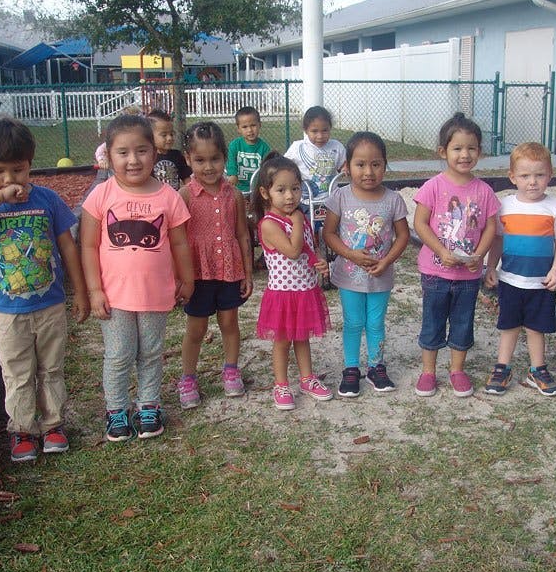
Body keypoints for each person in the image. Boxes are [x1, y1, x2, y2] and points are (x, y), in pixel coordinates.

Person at [0, 116, 89, 462]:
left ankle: (54, 424)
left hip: (49, 304)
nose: (11, 179)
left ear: (30, 165)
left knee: (51, 368)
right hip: (7, 310)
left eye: (19, 169)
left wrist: (82, 292)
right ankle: (23, 429)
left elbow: (68, 246)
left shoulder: (47, 199)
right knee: (17, 371)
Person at [80, 114, 195, 442]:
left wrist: (187, 279)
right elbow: (87, 245)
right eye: (123, 152)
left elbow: (180, 243)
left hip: (156, 294)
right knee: (119, 354)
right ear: (109, 155)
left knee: (151, 352)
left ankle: (148, 405)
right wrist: (93, 290)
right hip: (114, 297)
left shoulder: (168, 197)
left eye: (142, 151)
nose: (133, 160)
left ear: (154, 153)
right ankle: (116, 410)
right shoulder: (101, 196)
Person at [412, 112, 499, 398]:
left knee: (462, 322)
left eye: (471, 148)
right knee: (432, 321)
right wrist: (440, 250)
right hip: (436, 272)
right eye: (457, 148)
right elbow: (420, 223)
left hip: (468, 275)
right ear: (443, 151)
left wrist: (480, 254)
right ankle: (428, 372)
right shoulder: (434, 186)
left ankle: (457, 370)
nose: (465, 154)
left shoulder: (484, 191)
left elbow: (490, 227)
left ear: (480, 152)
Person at [322, 132, 409, 397]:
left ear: (385, 165)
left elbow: (403, 236)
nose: (368, 171)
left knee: (375, 322)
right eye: (360, 164)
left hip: (381, 276)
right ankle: (351, 368)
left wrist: (386, 261)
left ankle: (376, 366)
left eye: (376, 164)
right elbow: (328, 234)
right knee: (353, 322)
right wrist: (350, 254)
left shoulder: (393, 199)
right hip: (349, 276)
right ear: (347, 166)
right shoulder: (340, 197)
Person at [483, 142, 556, 397]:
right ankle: (502, 367)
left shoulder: (554, 207)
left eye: (539, 175)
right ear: (512, 177)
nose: (532, 182)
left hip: (541, 282)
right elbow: (497, 239)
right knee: (509, 325)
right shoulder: (505, 206)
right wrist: (491, 266)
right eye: (525, 176)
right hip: (511, 280)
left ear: (550, 175)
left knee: (536, 327)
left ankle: (538, 369)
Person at [175, 121, 254, 408]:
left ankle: (231, 370)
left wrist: (246, 270)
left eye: (215, 159)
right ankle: (187, 378)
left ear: (224, 157)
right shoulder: (183, 196)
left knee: (229, 323)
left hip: (229, 270)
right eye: (199, 160)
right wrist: (181, 278)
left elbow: (243, 235)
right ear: (188, 160)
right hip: (198, 273)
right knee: (196, 329)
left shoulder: (233, 195)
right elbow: (177, 241)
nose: (208, 167)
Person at [251, 155, 333, 410]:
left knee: (302, 337)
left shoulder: (299, 218)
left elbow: (307, 249)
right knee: (283, 340)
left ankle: (307, 378)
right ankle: (281, 383)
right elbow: (293, 251)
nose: (290, 196)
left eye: (295, 189)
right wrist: (298, 220)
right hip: (284, 294)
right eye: (281, 190)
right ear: (266, 193)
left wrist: (318, 260)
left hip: (305, 290)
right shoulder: (269, 224)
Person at [285, 105, 346, 200]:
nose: (320, 136)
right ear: (306, 130)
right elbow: (284, 165)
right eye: (314, 131)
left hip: (331, 198)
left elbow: (343, 164)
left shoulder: (336, 147)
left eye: (325, 130)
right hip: (305, 199)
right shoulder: (297, 147)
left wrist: (345, 169)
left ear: (330, 128)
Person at [227, 106, 272, 193]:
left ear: (260, 125)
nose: (250, 130)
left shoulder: (264, 148)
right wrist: (232, 174)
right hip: (238, 188)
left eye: (253, 125)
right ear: (238, 129)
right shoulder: (235, 145)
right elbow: (231, 162)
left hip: (257, 189)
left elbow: (267, 169)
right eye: (245, 127)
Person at [147, 109, 191, 190]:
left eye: (171, 134)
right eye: (164, 135)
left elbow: (186, 178)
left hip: (174, 198)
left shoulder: (177, 155)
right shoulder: (148, 157)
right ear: (150, 136)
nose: (170, 138)